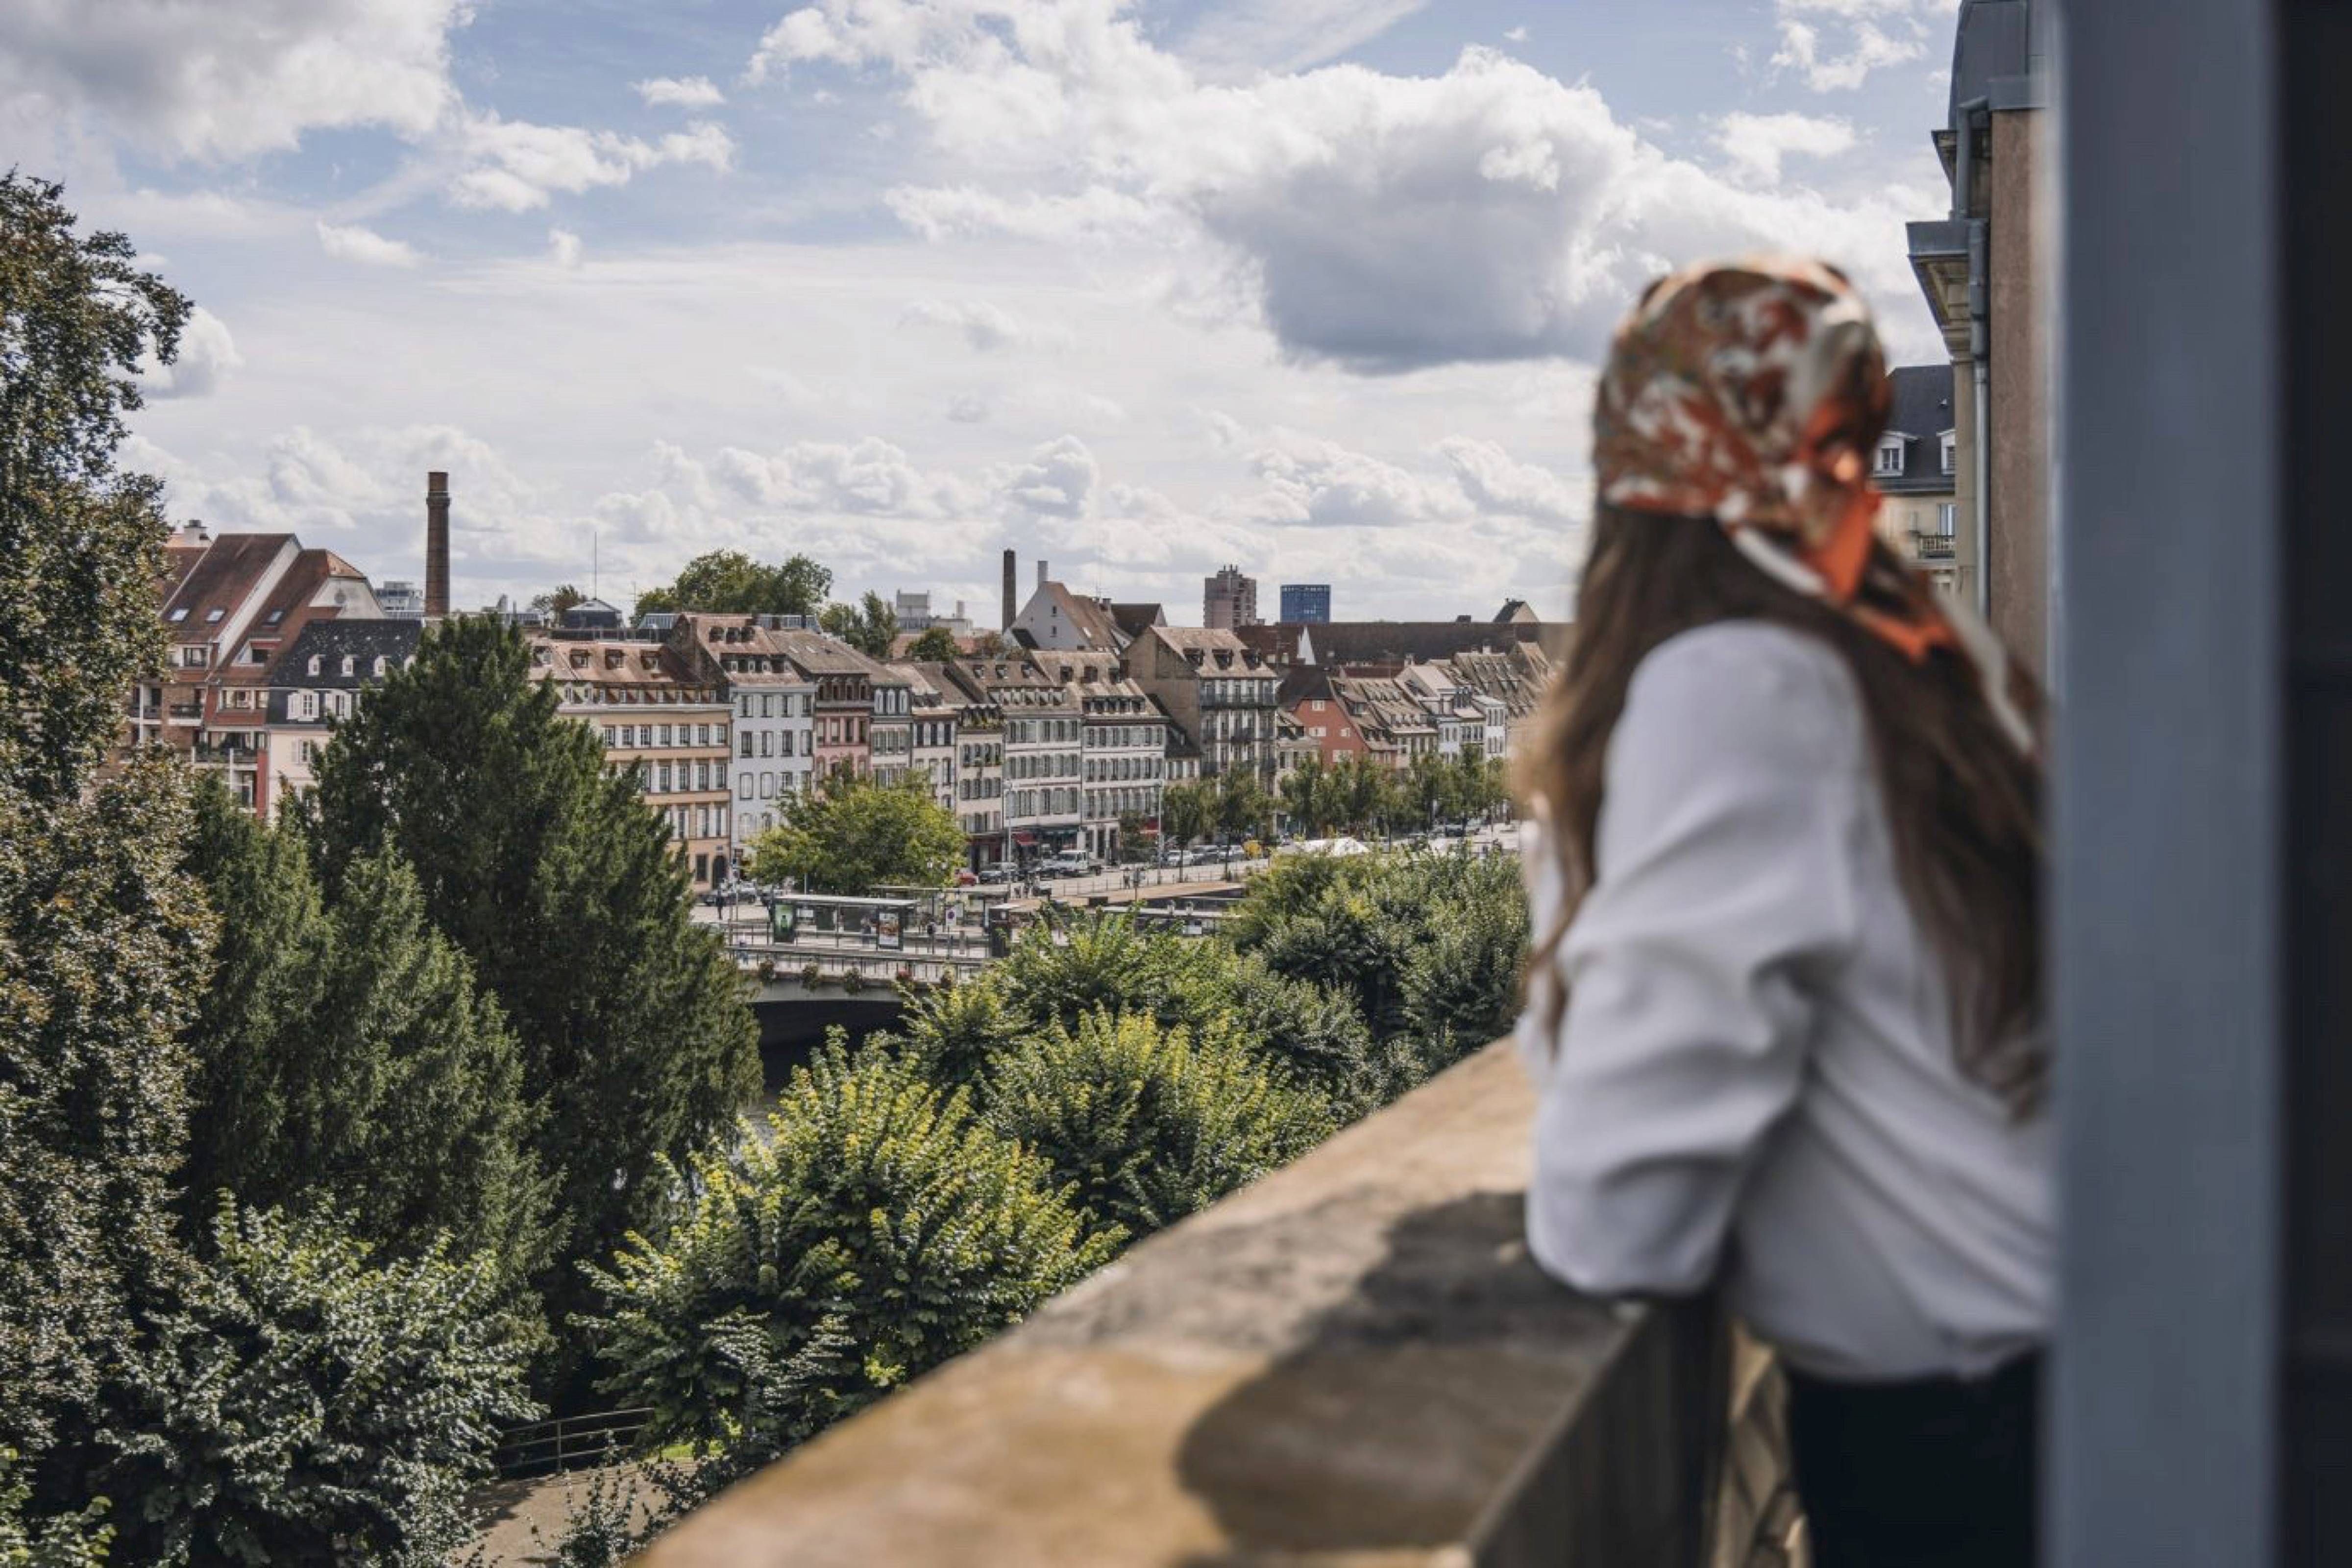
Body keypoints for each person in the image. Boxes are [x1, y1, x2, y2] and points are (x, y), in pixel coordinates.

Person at [1514, 257, 2048, 1568]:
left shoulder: (1741, 686)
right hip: (2076, 1383)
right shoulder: (1931, 662)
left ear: (1627, 462)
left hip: (1964, 1443)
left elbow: (1620, 1205)